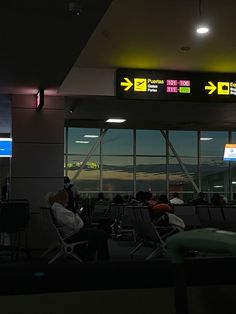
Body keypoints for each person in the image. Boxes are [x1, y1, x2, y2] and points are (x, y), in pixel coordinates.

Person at [51, 189, 109, 261]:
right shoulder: (60, 211)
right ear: (62, 199)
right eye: (67, 198)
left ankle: (89, 256)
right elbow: (74, 227)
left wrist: (76, 217)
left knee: (96, 233)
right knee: (101, 234)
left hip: (71, 234)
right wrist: (76, 216)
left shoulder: (58, 209)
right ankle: (103, 260)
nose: (68, 200)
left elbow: (71, 224)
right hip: (73, 235)